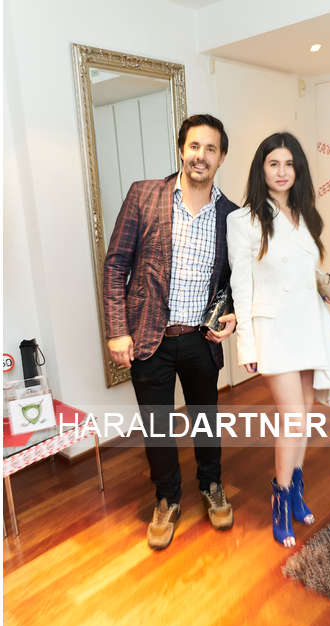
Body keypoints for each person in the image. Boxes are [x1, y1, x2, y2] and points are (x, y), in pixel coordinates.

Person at [103, 114, 239, 551]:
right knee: (157, 426)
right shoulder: (144, 195)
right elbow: (116, 265)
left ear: (221, 157)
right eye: (194, 146)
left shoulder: (232, 216)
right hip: (150, 338)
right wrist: (117, 330)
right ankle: (167, 498)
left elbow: (236, 280)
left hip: (201, 340)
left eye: (211, 148)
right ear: (182, 149)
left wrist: (232, 314)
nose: (201, 155)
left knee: (206, 417)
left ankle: (211, 485)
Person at [227, 132, 330, 547]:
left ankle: (296, 490)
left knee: (305, 412)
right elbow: (241, 287)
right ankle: (280, 499)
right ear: (261, 169)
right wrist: (246, 344)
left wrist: (327, 288)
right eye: (273, 164)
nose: (282, 172)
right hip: (273, 330)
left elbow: (303, 272)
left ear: (297, 169)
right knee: (293, 416)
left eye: (289, 164)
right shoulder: (243, 221)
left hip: (307, 325)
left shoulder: (305, 216)